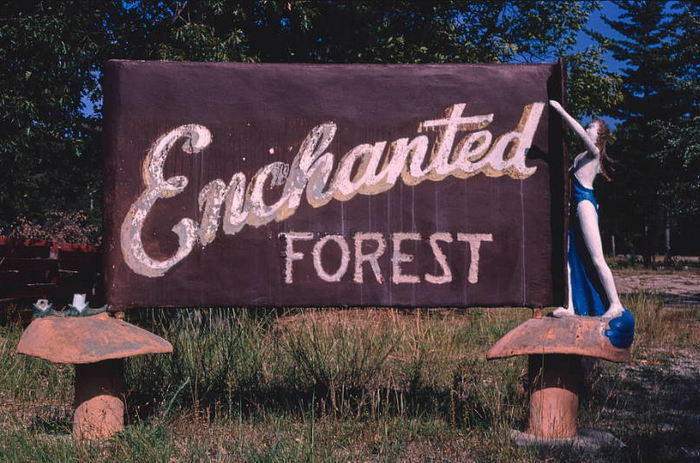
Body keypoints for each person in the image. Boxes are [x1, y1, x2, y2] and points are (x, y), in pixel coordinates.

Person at [549, 100, 634, 348]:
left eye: (591, 130)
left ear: (599, 137)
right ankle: (570, 305)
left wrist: (562, 112)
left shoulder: (593, 153)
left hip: (585, 205)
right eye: (587, 128)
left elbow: (578, 135)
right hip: (573, 209)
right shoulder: (579, 156)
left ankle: (615, 304)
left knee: (597, 258)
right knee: (569, 259)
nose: (586, 131)